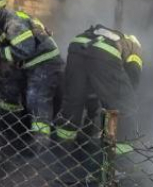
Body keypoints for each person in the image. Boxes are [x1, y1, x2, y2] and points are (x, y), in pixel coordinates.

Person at [0, 0, 62, 141]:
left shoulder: (11, 22)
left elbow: (25, 49)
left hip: (45, 62)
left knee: (35, 98)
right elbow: (2, 43)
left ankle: (41, 143)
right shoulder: (2, 21)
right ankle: (10, 133)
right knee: (9, 90)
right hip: (30, 64)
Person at [55, 24, 143, 156]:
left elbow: (93, 84)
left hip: (77, 45)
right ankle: (123, 158)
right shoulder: (135, 49)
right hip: (103, 53)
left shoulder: (114, 37)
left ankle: (62, 145)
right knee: (126, 104)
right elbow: (132, 80)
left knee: (73, 98)